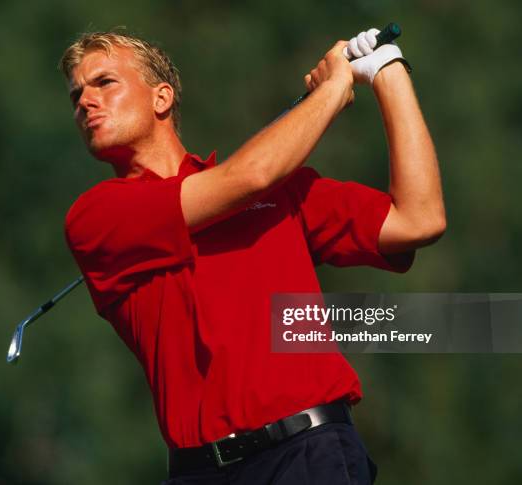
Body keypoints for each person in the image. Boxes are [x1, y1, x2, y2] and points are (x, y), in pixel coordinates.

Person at [60, 27, 445, 485]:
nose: (85, 101)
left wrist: (387, 71)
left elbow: (419, 219)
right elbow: (252, 174)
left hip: (309, 455)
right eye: (77, 95)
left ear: (161, 99)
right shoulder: (97, 215)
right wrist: (335, 89)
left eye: (104, 83)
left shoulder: (284, 194)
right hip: (198, 472)